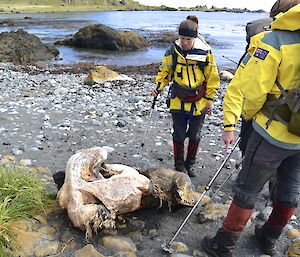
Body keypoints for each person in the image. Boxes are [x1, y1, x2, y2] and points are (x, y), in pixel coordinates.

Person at [202, 3, 300, 257]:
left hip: (272, 132)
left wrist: (250, 116)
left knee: (247, 189)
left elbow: (255, 91)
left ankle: (223, 244)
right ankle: (268, 238)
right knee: (290, 189)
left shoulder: (274, 41)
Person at [152, 15, 220, 177]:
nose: (185, 42)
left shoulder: (205, 53)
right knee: (179, 135)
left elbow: (212, 77)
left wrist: (210, 100)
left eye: (188, 39)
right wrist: (158, 87)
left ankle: (190, 164)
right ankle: (179, 165)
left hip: (199, 101)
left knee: (195, 136)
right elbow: (165, 71)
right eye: (182, 38)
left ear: (194, 38)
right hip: (178, 100)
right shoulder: (172, 52)